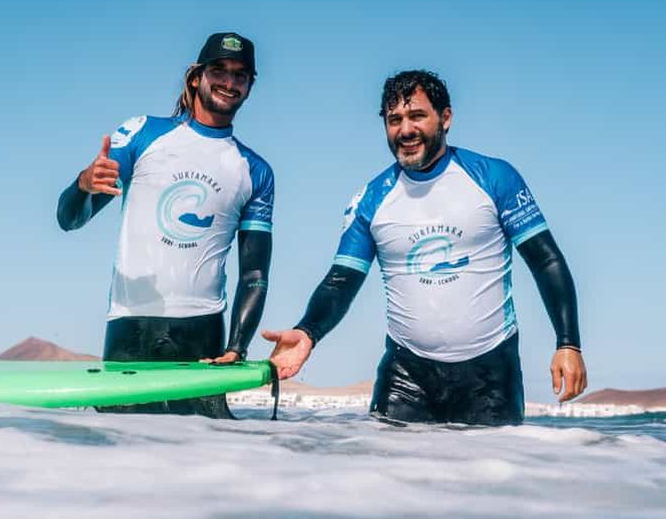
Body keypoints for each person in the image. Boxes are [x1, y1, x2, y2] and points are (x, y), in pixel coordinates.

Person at [264, 70, 586, 426]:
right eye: (394, 120)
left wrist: (568, 343)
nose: (405, 130)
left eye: (417, 116)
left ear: (445, 118)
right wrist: (309, 332)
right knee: (387, 477)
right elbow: (342, 280)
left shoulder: (495, 177)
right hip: (406, 376)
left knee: (492, 481)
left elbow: (545, 260)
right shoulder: (371, 198)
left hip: (491, 374)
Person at [57, 32, 274, 418]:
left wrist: (237, 345)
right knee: (122, 459)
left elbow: (254, 273)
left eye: (240, 75)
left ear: (250, 86)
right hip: (131, 326)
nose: (229, 82)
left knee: (206, 467)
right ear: (196, 77)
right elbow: (69, 219)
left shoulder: (255, 171)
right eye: (219, 70)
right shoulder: (145, 134)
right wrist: (83, 183)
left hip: (204, 332)